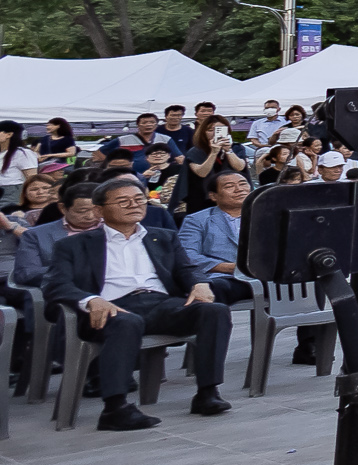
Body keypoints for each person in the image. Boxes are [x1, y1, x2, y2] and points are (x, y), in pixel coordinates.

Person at [44, 175, 231, 428]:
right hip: (111, 307)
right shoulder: (73, 245)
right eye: (123, 201)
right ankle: (115, 409)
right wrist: (90, 300)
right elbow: (56, 284)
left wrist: (200, 283)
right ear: (99, 210)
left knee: (215, 311)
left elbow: (187, 269)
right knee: (126, 323)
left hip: (160, 304)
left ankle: (207, 393)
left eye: (139, 199)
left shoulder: (163, 236)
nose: (134, 205)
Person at [175, 168, 258, 304]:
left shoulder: (268, 216)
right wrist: (230, 267)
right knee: (214, 288)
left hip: (268, 277)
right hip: (228, 278)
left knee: (302, 284)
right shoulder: (197, 220)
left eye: (243, 184)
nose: (239, 189)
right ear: (213, 196)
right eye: (229, 186)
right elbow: (186, 254)